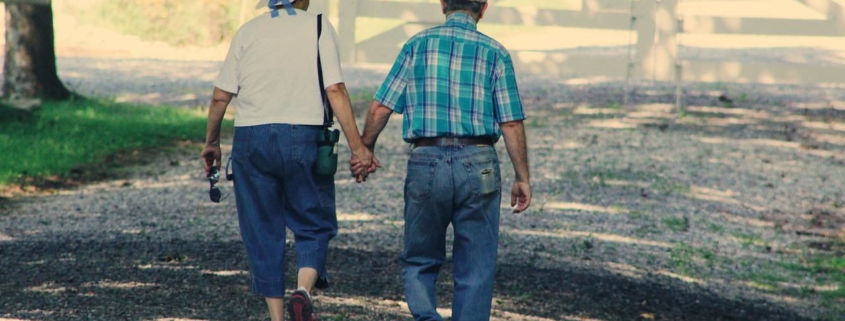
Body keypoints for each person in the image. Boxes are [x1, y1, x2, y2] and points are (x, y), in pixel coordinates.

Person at [357, 0, 531, 320]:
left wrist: (365, 148)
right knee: (476, 263)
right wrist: (523, 177)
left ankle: (426, 316)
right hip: (479, 162)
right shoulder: (496, 52)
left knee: (420, 257)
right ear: (484, 8)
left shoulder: (416, 45)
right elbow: (511, 121)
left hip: (427, 160)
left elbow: (381, 106)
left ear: (442, 4)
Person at [201, 0, 373, 320]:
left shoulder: (248, 31)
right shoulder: (319, 25)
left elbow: (220, 96)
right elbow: (334, 88)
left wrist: (212, 142)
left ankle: (278, 316)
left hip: (250, 139)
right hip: (303, 135)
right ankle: (303, 291)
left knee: (262, 228)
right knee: (313, 220)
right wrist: (358, 147)